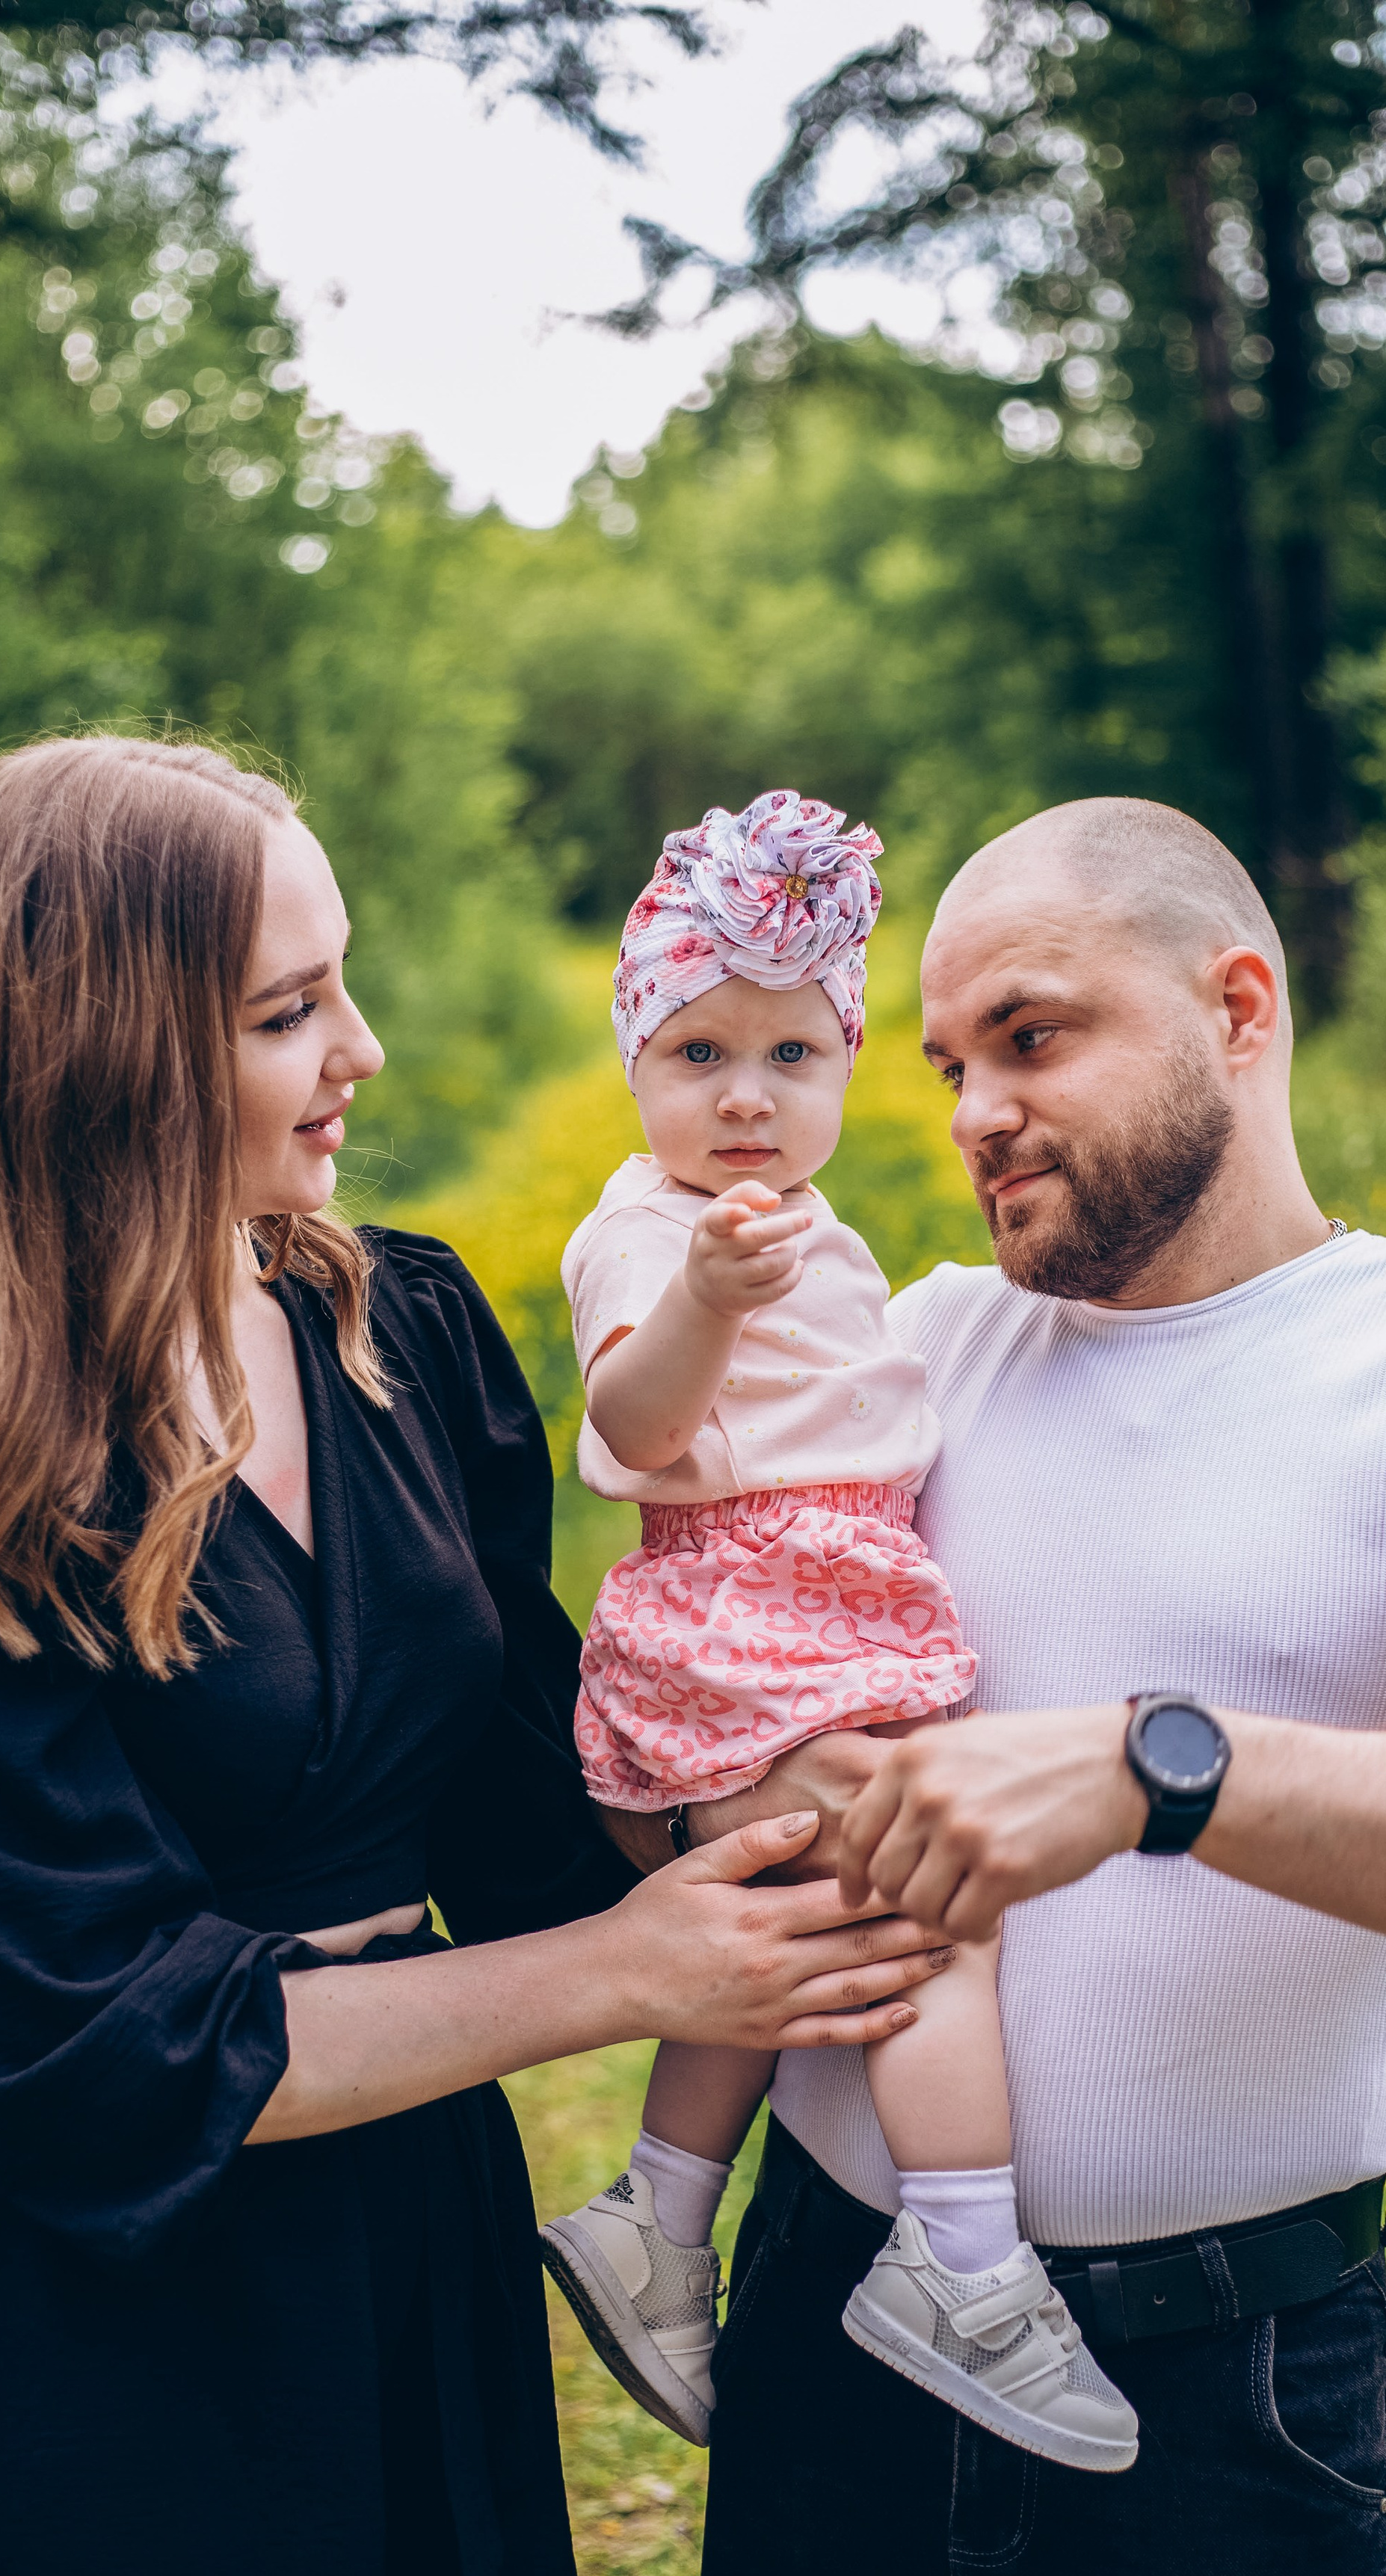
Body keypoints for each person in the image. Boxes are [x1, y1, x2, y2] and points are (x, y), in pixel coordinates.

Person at [0, 736, 957, 2576]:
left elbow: (527, 1799)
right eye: (285, 1010)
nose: (365, 1051)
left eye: (344, 983)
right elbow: (95, 2048)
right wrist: (630, 1968)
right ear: (98, 1052)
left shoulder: (392, 1318)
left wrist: (833, 1780)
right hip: (105, 2316)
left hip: (402, 2254)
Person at [645, 797, 1386, 2576]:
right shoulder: (906, 1349)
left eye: (1033, 1039)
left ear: (1240, 1007)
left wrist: (1158, 1770)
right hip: (838, 2319)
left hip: (1236, 2384)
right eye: (945, 1067)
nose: (976, 1114)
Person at [540, 789, 1137, 2474]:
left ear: (843, 1069)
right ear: (638, 1067)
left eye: (792, 1057)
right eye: (699, 1054)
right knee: (930, 1901)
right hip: (735, 1612)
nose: (744, 1097)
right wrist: (705, 1306)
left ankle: (654, 2217)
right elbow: (636, 1432)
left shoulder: (833, 1234)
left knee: (805, 1917)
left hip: (828, 1609)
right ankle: (958, 2256)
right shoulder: (647, 1232)